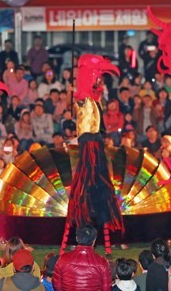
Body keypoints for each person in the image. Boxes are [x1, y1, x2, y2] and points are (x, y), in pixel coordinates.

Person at [61, 54, 123, 255]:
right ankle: (82, 233)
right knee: (85, 186)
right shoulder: (82, 98)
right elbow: (78, 98)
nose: (98, 81)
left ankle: (99, 237)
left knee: (98, 186)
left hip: (96, 143)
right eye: (95, 77)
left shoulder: (95, 100)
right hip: (88, 146)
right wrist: (74, 91)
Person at [53, 225, 112, 291]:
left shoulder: (62, 259)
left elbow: (57, 286)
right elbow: (106, 288)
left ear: (76, 238)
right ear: (94, 240)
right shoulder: (102, 262)